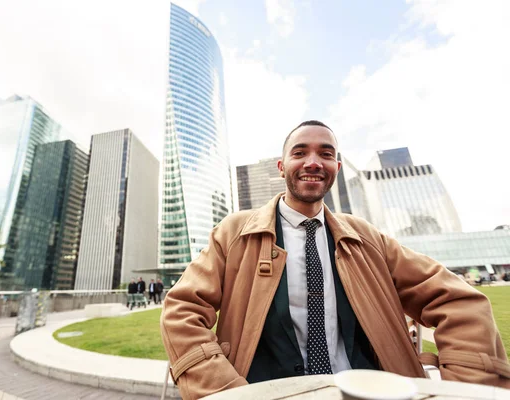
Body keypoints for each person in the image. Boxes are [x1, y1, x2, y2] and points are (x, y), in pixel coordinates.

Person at [160, 121, 510, 400]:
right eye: (301, 152)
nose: (313, 161)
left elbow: (459, 301)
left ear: (336, 168)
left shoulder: (368, 238)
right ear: (282, 167)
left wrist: (468, 389)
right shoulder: (233, 234)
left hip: (366, 391)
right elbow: (181, 311)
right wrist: (226, 392)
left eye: (325, 154)